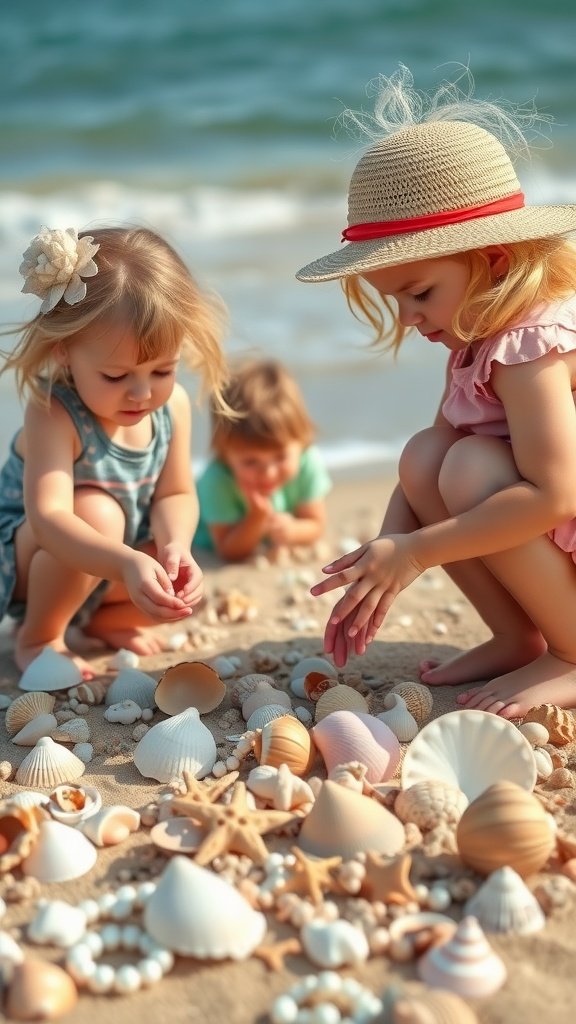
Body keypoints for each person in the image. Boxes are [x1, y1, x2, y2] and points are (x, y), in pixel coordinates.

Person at [296, 67, 576, 719]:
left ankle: (570, 652)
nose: (409, 318)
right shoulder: (478, 339)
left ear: (497, 263)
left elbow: (556, 494)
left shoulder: (532, 345)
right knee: (427, 454)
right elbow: (431, 463)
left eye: (420, 294)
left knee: (471, 464)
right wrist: (386, 561)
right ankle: (516, 637)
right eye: (396, 300)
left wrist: (419, 551)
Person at [0, 225, 230, 675]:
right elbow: (49, 522)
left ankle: (104, 619)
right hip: (36, 562)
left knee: (168, 578)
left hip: (108, 560)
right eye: (115, 376)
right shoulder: (54, 412)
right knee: (101, 516)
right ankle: (40, 636)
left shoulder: (173, 407)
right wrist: (126, 563)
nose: (141, 393)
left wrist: (175, 547)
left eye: (162, 370)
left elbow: (175, 495)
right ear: (65, 353)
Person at [194, 358, 331, 561]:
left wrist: (294, 531)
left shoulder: (307, 463)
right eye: (250, 461)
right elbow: (228, 551)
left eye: (281, 457)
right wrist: (257, 518)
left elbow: (316, 524)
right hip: (209, 541)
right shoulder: (217, 480)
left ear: (301, 440)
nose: (268, 472)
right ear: (224, 454)